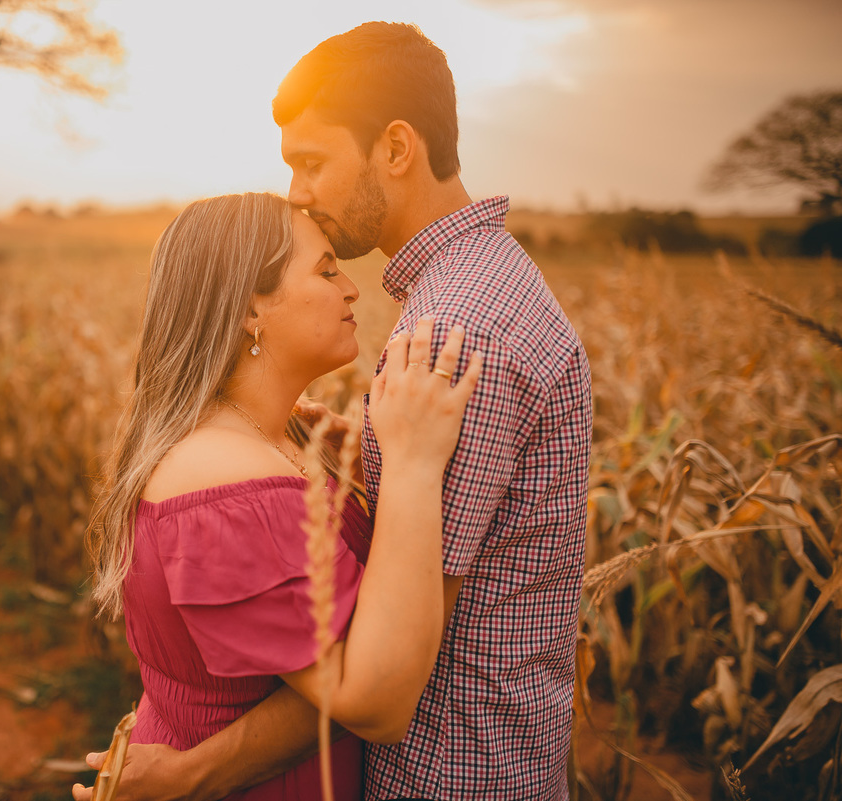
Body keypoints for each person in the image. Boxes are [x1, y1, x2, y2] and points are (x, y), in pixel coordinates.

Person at [74, 20, 593, 801]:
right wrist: (363, 464)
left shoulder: (452, 334)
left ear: (394, 147)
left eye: (311, 162)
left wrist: (192, 774)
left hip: (452, 776)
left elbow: (392, 650)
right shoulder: (478, 294)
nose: (298, 192)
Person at [72, 192, 481, 800]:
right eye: (325, 269)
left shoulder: (267, 440)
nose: (352, 289)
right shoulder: (224, 483)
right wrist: (415, 464)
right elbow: (378, 702)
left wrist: (368, 468)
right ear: (248, 308)